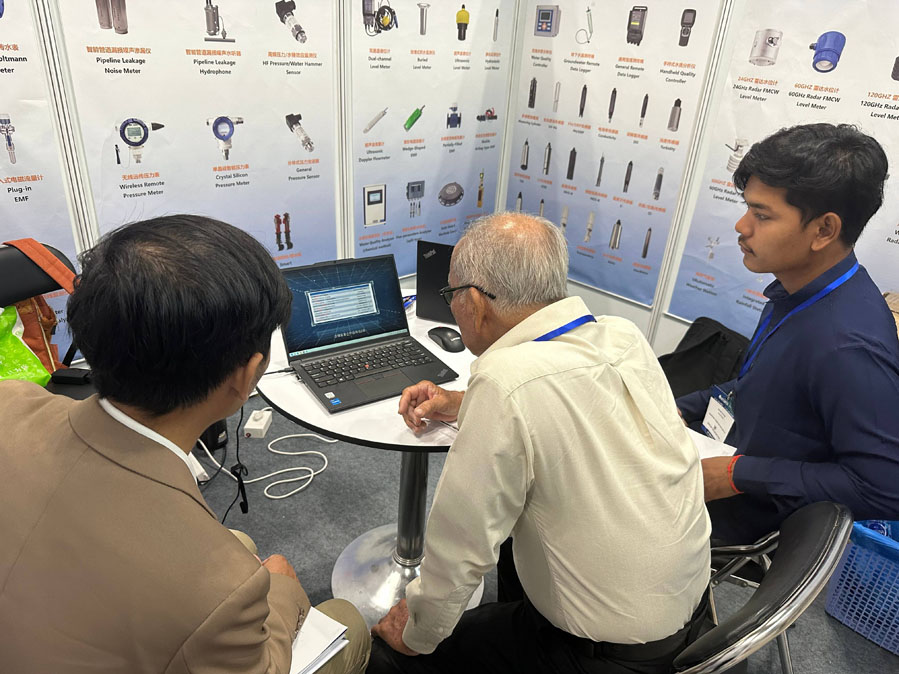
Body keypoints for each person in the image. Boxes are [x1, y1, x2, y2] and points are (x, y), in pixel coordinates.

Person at [0, 215, 370, 674]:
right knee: (348, 619)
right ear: (245, 376)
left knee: (239, 542)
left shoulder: (9, 401)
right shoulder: (218, 590)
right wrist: (282, 591)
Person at [369, 213, 711, 673]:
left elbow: (460, 548)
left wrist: (415, 633)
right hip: (691, 616)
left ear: (476, 302)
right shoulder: (621, 336)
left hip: (602, 655)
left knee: (392, 657)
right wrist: (460, 403)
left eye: (451, 295)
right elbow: (564, 399)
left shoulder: (504, 382)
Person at [677, 123, 899, 544]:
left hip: (744, 529)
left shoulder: (847, 346)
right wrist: (680, 407)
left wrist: (739, 474)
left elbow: (883, 487)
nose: (742, 226)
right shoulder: (796, 291)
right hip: (728, 466)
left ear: (824, 230)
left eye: (762, 215)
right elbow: (765, 387)